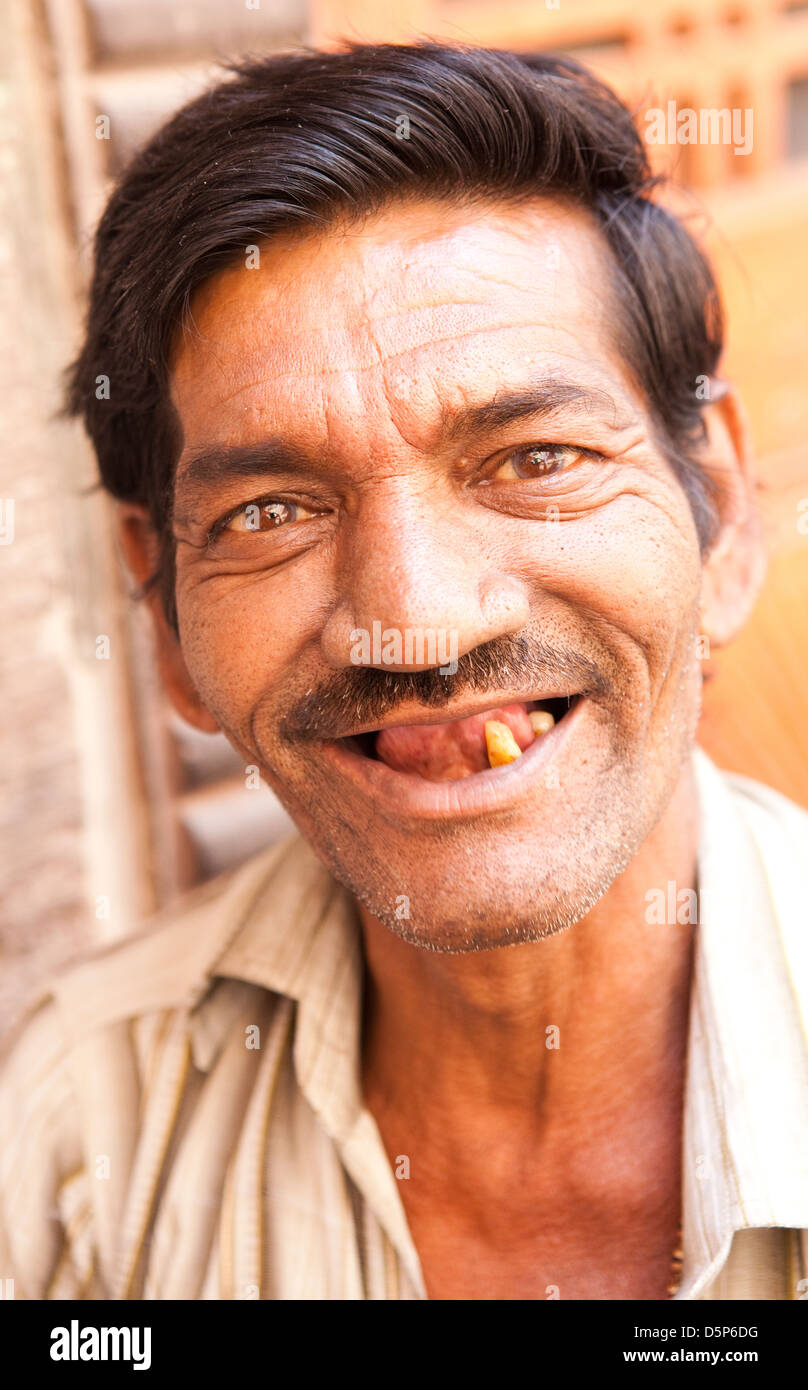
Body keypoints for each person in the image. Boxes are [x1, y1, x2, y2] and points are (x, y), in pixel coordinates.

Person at [1, 41, 806, 1301]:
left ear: (717, 509)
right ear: (162, 615)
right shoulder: (78, 1139)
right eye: (272, 512)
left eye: (534, 456)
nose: (416, 626)